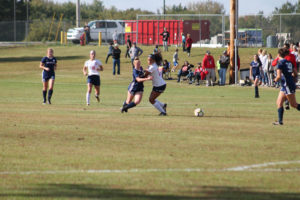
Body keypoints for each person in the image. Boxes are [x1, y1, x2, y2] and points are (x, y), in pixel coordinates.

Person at [273, 48, 300, 125]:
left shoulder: (280, 64)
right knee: (279, 102)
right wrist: (291, 77)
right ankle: (280, 121)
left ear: (278, 55)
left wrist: (274, 80)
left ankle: (280, 121)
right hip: (286, 85)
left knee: (293, 104)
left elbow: (278, 77)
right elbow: (295, 73)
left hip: (287, 85)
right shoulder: (289, 63)